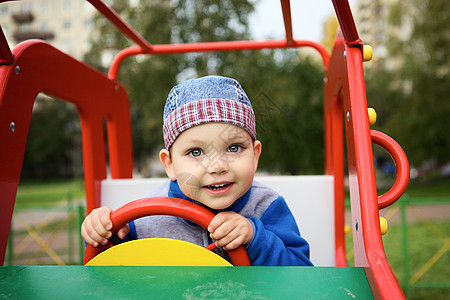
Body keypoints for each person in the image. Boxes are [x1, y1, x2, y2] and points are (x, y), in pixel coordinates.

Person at [81, 75, 313, 266]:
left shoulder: (267, 206)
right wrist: (102, 236)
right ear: (169, 165)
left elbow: (300, 274)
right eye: (195, 152)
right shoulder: (143, 218)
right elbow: (112, 277)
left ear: (255, 156)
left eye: (234, 148)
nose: (218, 166)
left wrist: (255, 238)